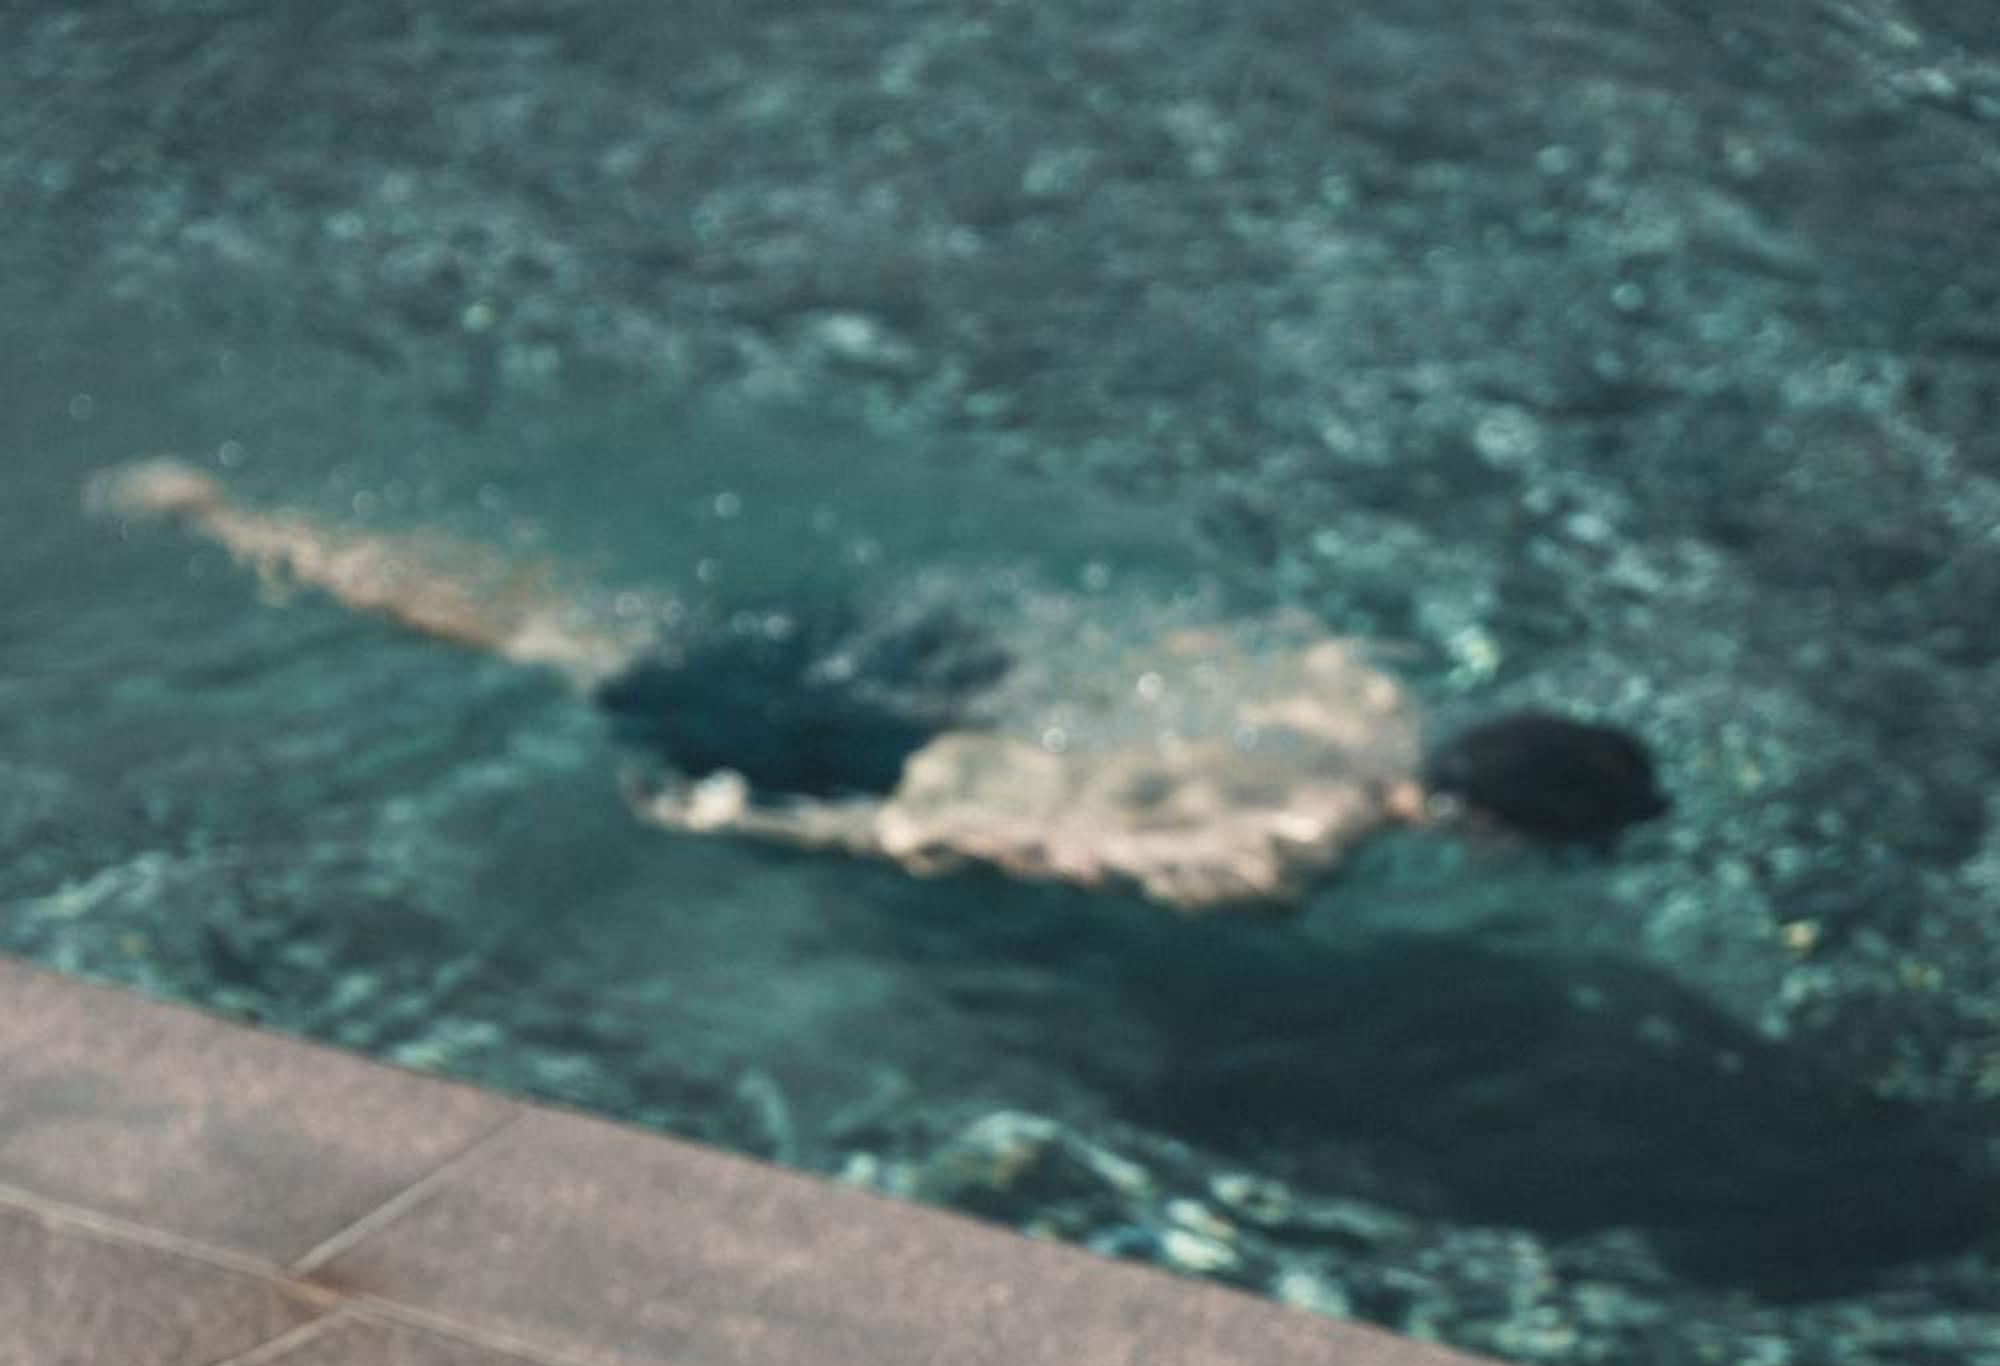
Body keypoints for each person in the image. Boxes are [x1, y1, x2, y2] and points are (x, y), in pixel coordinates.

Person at [91, 460, 1668, 911]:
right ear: (1500, 833)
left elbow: (1138, 646)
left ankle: (248, 514)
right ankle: (233, 524)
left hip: (933, 662)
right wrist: (761, 823)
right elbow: (1013, 841)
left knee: (551, 612)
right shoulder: (1288, 853)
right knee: (541, 641)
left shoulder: (1350, 683)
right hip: (876, 751)